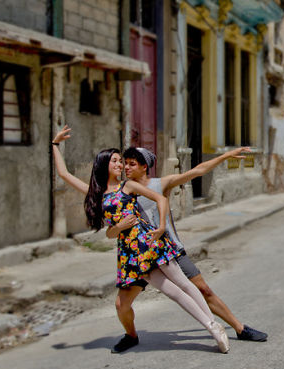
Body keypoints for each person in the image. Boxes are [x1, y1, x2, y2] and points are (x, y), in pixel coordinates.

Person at [52, 127, 229, 353]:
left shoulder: (128, 186)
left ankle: (214, 328)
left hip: (149, 240)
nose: (120, 165)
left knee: (184, 284)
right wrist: (55, 145)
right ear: (103, 164)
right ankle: (212, 326)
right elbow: (65, 175)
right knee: (172, 292)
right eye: (115, 161)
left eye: (121, 161)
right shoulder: (96, 194)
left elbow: (160, 200)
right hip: (131, 251)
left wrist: (162, 226)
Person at [102, 145, 268, 348]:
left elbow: (198, 170)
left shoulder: (160, 184)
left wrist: (225, 155)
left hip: (169, 250)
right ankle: (131, 335)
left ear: (144, 166)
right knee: (122, 304)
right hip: (139, 256)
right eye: (124, 163)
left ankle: (239, 328)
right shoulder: (120, 190)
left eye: (131, 164)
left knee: (203, 289)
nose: (126, 168)